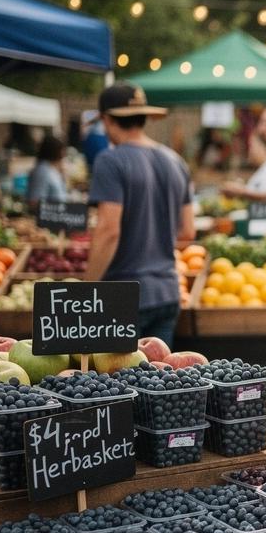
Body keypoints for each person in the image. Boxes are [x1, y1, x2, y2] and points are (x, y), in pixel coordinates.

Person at [86, 83, 196, 346]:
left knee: (119, 375)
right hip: (168, 292)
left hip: (123, 298)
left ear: (107, 120)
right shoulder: (175, 161)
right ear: (144, 117)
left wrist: (85, 292)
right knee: (157, 372)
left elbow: (109, 231)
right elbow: (188, 231)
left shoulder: (110, 161)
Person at [26, 135, 69, 205]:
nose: (64, 154)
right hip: (48, 211)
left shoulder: (52, 169)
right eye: (62, 150)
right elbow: (34, 201)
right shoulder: (41, 171)